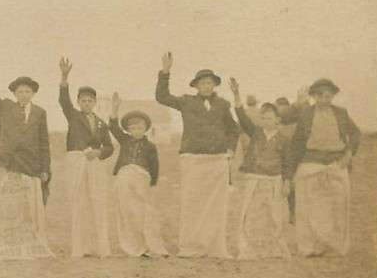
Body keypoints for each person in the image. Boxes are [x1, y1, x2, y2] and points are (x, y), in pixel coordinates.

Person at [155, 52, 239, 258]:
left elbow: (233, 129)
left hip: (217, 159)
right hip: (192, 158)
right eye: (202, 83)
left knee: (215, 205)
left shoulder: (223, 105)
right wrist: (165, 72)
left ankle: (214, 248)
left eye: (209, 82)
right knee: (192, 202)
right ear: (196, 86)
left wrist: (229, 149)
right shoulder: (186, 102)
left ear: (214, 85)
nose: (206, 86)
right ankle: (190, 247)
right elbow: (162, 97)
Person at [0, 46, 54, 260]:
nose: (23, 95)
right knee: (10, 205)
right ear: (14, 93)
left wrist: (45, 169)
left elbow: (44, 142)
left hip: (31, 164)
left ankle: (32, 245)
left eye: (27, 91)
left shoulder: (40, 113)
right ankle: (11, 246)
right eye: (20, 91)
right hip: (9, 162)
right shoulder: (5, 107)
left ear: (33, 94)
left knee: (30, 206)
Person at [280, 79, 360, 257]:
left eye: (329, 96)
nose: (326, 99)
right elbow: (283, 119)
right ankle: (310, 247)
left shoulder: (341, 113)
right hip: (310, 162)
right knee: (308, 207)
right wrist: (296, 105)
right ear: (314, 96)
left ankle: (334, 246)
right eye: (322, 96)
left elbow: (355, 133)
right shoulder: (304, 112)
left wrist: (348, 154)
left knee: (337, 205)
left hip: (336, 163)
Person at [229, 79, 292, 259]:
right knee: (251, 213)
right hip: (254, 180)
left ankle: (273, 248)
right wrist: (236, 95)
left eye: (270, 118)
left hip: (274, 181)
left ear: (278, 120)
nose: (266, 121)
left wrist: (287, 182)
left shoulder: (284, 140)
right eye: (263, 118)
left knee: (273, 215)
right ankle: (250, 248)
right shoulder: (255, 133)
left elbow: (287, 164)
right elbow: (242, 117)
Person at [58, 57, 114, 257]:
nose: (87, 103)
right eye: (83, 100)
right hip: (76, 161)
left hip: (95, 163)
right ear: (78, 102)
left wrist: (98, 153)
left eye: (90, 100)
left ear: (95, 103)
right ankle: (79, 249)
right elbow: (63, 101)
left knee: (98, 202)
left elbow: (109, 147)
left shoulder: (101, 124)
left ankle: (102, 249)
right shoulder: (74, 116)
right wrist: (64, 77)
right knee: (78, 202)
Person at [109, 93, 168, 257]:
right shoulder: (125, 141)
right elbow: (113, 127)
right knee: (127, 210)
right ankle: (132, 245)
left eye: (139, 127)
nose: (136, 130)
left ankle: (149, 244)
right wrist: (114, 108)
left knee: (143, 211)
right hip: (125, 176)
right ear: (128, 130)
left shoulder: (150, 146)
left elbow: (154, 166)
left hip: (142, 178)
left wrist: (153, 183)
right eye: (132, 128)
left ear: (145, 129)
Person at [275, 96, 298, 224]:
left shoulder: (296, 125)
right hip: (278, 159)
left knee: (292, 187)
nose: (282, 111)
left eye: (285, 108)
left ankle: (292, 213)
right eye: (280, 108)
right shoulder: (274, 124)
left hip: (292, 159)